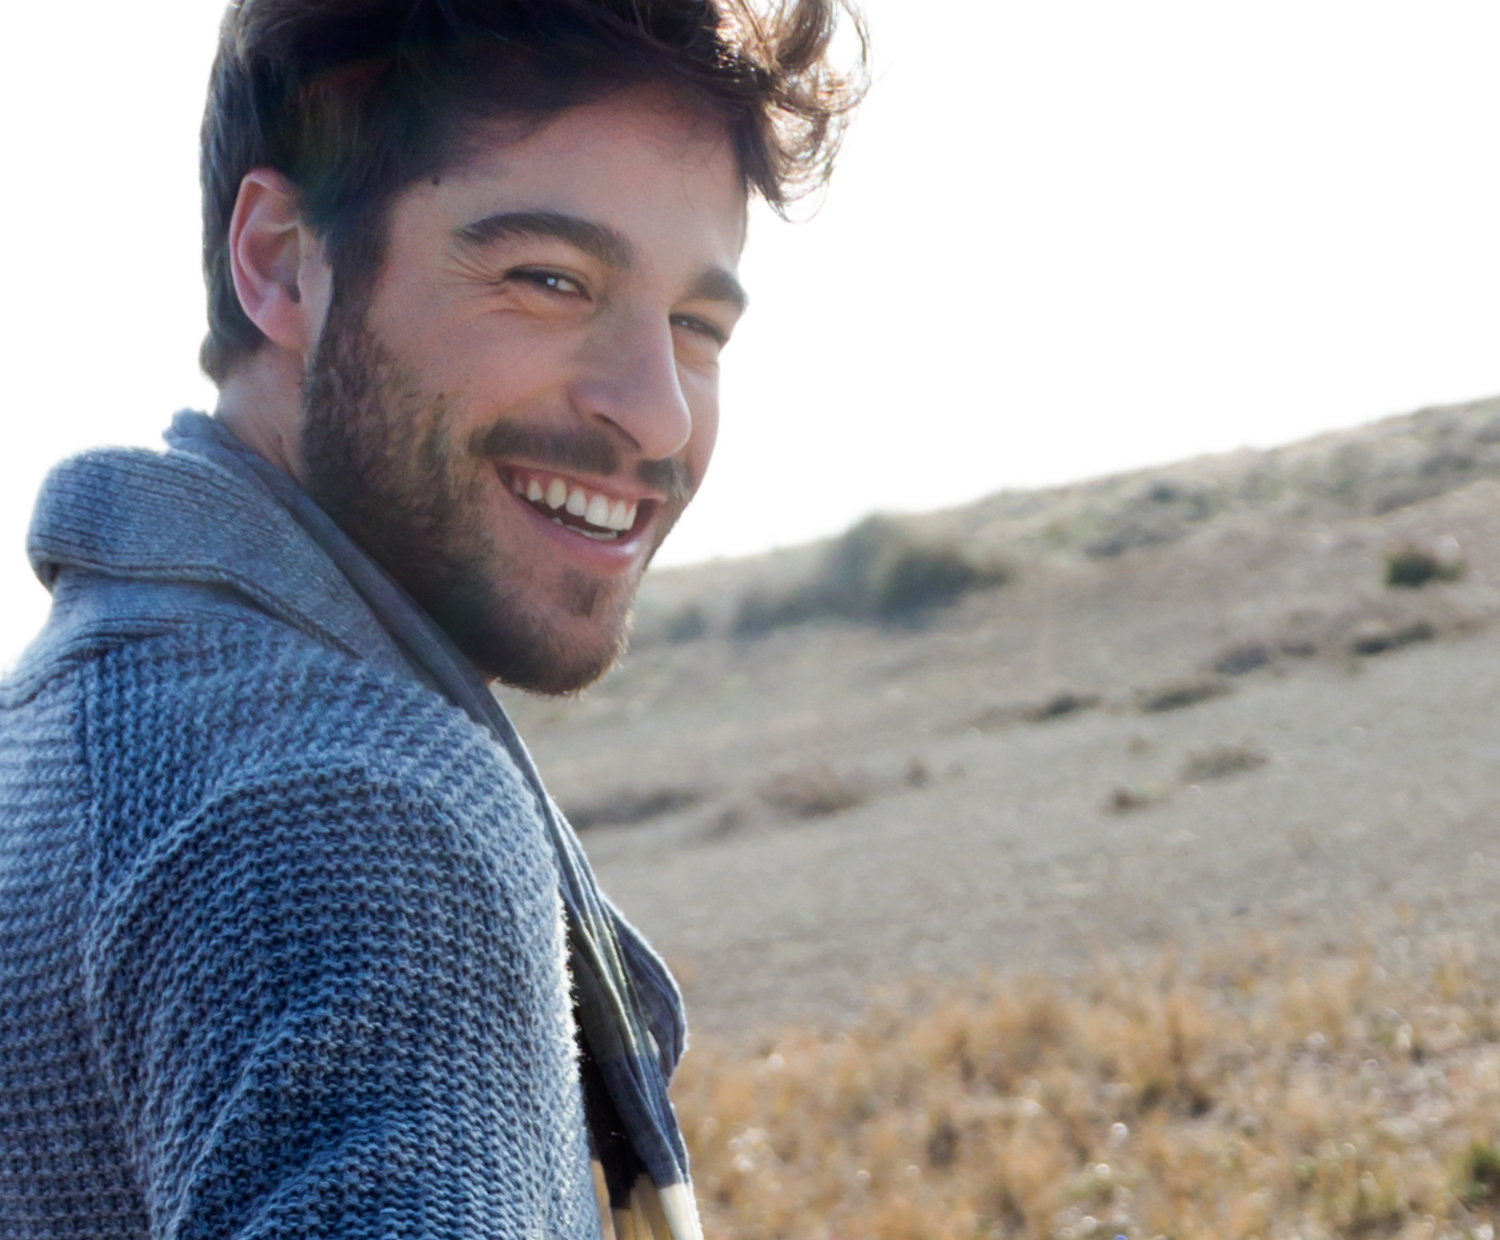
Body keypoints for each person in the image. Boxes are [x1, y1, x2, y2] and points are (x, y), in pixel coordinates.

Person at [0, 2, 864, 1237]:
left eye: (695, 326)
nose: (658, 413)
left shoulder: (72, 720)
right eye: (549, 279)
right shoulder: (354, 812)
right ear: (283, 261)